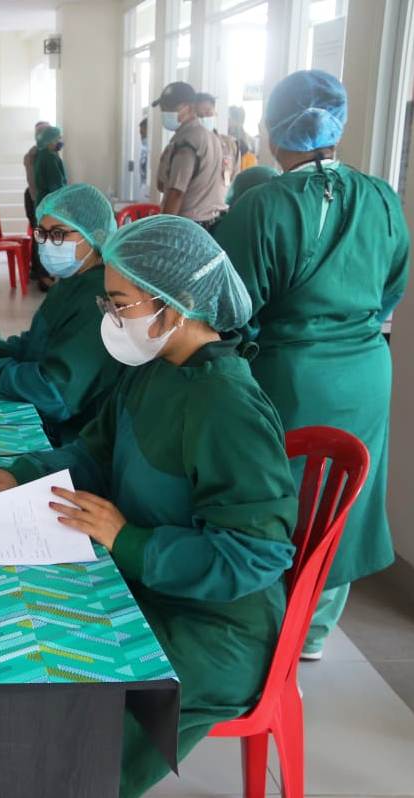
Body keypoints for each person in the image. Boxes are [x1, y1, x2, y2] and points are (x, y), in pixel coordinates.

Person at [0, 215, 297, 798]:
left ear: (177, 305)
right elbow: (95, 451)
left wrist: (126, 538)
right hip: (149, 584)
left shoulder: (226, 406)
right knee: (16, 629)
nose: (109, 318)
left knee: (74, 703)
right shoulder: (154, 369)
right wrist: (20, 473)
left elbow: (256, 555)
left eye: (119, 304)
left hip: (215, 626)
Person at [214, 69, 410, 661]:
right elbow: (392, 289)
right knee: (345, 497)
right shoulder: (381, 197)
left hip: (289, 375)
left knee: (278, 493)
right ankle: (315, 630)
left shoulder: (264, 204)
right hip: (367, 372)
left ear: (275, 132)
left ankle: (270, 621)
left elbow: (231, 307)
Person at [0, 184, 123, 445]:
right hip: (46, 417)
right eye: (42, 234)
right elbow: (36, 345)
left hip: (69, 438)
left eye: (58, 234)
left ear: (95, 235)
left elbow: (55, 395)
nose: (47, 244)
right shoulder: (69, 283)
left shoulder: (99, 300)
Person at [152, 82, 227, 228]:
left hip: (187, 225)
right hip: (211, 222)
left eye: (171, 108)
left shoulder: (187, 142)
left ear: (190, 108)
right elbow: (163, 185)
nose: (165, 112)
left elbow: (176, 192)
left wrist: (163, 230)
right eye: (163, 108)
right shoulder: (211, 137)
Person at [22, 120, 53, 291]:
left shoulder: (41, 154)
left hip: (38, 199)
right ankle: (42, 276)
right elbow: (35, 184)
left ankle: (37, 271)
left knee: (39, 236)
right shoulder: (34, 156)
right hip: (36, 199)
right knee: (40, 236)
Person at [194, 92, 240, 186]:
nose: (204, 118)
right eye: (199, 115)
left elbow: (235, 179)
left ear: (215, 113)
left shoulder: (230, 145)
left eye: (208, 112)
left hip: (222, 198)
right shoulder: (185, 146)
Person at [32, 125, 67, 202]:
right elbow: (55, 184)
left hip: (43, 200)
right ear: (51, 140)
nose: (60, 141)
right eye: (58, 138)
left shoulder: (41, 154)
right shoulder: (50, 158)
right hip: (51, 201)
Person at [227, 105, 258, 171]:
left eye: (229, 118)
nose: (227, 121)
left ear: (234, 120)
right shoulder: (249, 139)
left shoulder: (233, 140)